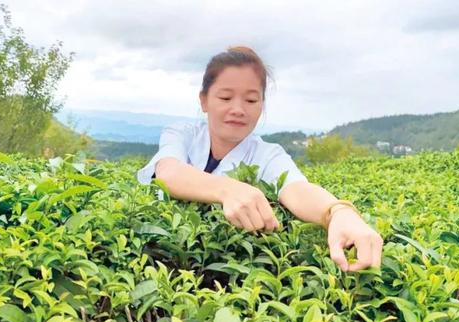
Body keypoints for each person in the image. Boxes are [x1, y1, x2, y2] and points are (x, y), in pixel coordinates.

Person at [136, 46, 383, 272]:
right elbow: (168, 172)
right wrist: (228, 190)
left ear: (261, 105)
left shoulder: (268, 154)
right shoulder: (182, 133)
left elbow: (297, 188)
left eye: (251, 100)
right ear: (204, 100)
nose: (238, 109)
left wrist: (339, 212)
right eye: (225, 98)